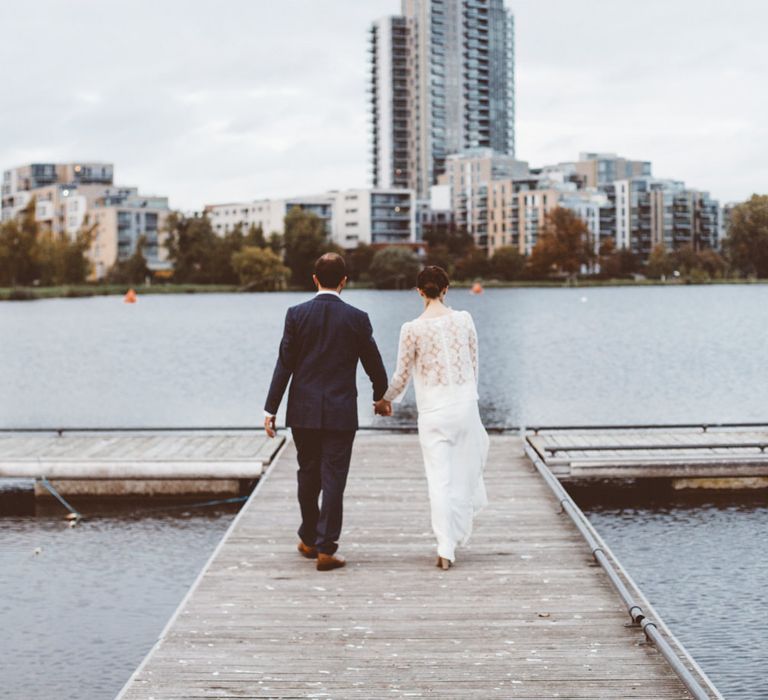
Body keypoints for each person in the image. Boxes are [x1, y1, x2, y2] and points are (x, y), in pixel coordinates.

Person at [264, 252, 391, 571]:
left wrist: (270, 409)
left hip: (303, 412)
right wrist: (380, 396)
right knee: (333, 479)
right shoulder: (357, 318)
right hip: (340, 413)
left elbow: (285, 364)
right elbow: (373, 363)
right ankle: (325, 548)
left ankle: (308, 538)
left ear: (314, 279)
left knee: (307, 475)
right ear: (344, 281)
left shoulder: (296, 314)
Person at [381, 265, 488, 570]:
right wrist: (469, 398)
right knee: (462, 472)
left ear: (419, 292)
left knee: (439, 479)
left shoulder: (411, 329)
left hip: (434, 412)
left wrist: (385, 400)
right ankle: (453, 535)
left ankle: (445, 548)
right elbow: (474, 362)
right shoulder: (464, 319)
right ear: (446, 288)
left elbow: (401, 375)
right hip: (465, 405)